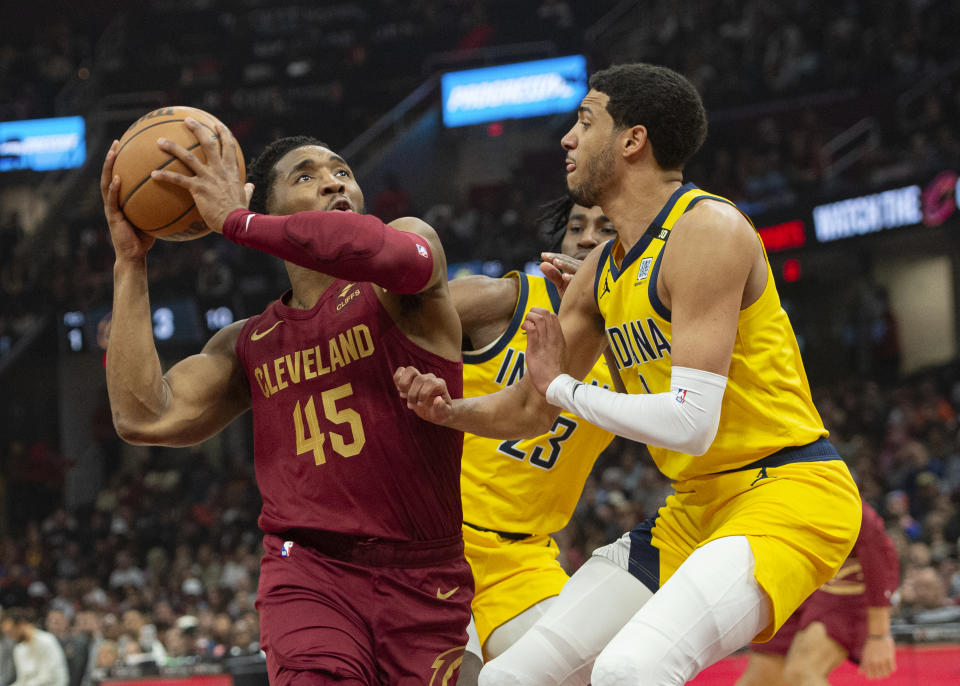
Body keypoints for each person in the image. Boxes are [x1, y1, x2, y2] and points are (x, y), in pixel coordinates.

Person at [394, 62, 862, 685]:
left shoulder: (708, 229)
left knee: (628, 669)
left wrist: (564, 386)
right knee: (508, 679)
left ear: (632, 141)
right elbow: (533, 413)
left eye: (584, 122)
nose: (566, 138)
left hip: (787, 493)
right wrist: (449, 413)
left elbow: (691, 424)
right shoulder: (597, 274)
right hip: (695, 508)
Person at [101, 124, 472, 684]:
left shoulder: (403, 272)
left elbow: (387, 252)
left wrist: (238, 221)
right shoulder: (248, 342)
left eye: (342, 172)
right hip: (308, 571)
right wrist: (130, 265)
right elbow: (142, 415)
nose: (333, 183)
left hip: (424, 574)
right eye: (307, 175)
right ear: (267, 207)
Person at [453, 198, 619, 684]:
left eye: (605, 228)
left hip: (522, 560)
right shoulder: (510, 299)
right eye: (576, 227)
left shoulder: (636, 349)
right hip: (435, 537)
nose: (586, 238)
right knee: (456, 675)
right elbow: (393, 313)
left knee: (592, 675)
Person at [736, 501, 899, 686]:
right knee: (759, 680)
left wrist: (879, 635)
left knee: (801, 674)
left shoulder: (842, 499)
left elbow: (879, 554)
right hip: (797, 584)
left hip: (844, 588)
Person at [1, 607, 69, 686]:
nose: (10, 635)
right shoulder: (19, 649)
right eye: (7, 633)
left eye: (11, 631)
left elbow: (49, 676)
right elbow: (22, 680)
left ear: (21, 624)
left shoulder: (46, 640)